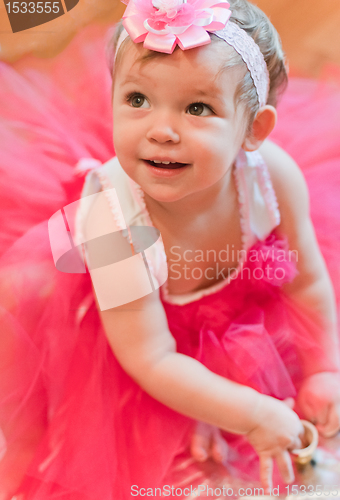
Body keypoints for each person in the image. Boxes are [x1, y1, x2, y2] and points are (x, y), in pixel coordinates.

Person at [0, 0, 340, 498]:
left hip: (227, 298)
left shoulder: (273, 175)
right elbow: (153, 358)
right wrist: (253, 413)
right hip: (132, 328)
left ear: (254, 131)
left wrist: (324, 368)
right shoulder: (112, 220)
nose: (161, 129)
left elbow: (306, 278)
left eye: (197, 107)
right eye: (137, 99)